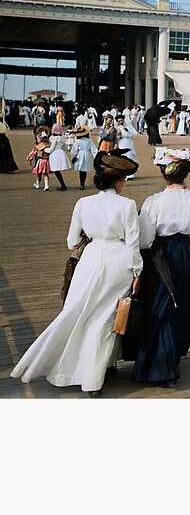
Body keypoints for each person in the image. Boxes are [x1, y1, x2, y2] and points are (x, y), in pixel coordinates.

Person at [11, 150, 142, 397]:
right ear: (117, 181)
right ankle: (96, 376)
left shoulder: (83, 203)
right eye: (123, 179)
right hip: (119, 261)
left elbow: (72, 241)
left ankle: (65, 366)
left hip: (91, 259)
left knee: (77, 312)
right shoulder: (127, 205)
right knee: (106, 320)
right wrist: (137, 272)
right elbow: (133, 242)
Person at [131, 148, 190, 388]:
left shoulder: (154, 201)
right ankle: (174, 354)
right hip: (188, 254)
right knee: (183, 305)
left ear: (163, 174)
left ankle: (160, 367)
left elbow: (146, 239)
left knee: (161, 306)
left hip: (162, 256)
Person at [69, 124, 99, 189]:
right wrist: (96, 157)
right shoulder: (89, 140)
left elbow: (74, 150)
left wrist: (73, 157)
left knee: (81, 170)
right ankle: (83, 183)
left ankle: (81, 183)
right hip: (87, 154)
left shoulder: (78, 141)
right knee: (84, 170)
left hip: (80, 154)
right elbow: (94, 149)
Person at [47, 123, 72, 191]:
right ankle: (62, 185)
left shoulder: (53, 138)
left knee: (56, 170)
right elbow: (65, 147)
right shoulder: (62, 138)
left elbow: (51, 149)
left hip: (55, 154)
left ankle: (63, 185)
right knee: (57, 170)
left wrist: (45, 150)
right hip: (61, 153)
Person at [27, 126, 51, 191]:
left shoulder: (38, 146)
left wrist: (29, 158)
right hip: (46, 161)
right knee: (45, 174)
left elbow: (33, 153)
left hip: (40, 161)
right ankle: (46, 185)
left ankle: (37, 184)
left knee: (38, 173)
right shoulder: (48, 145)